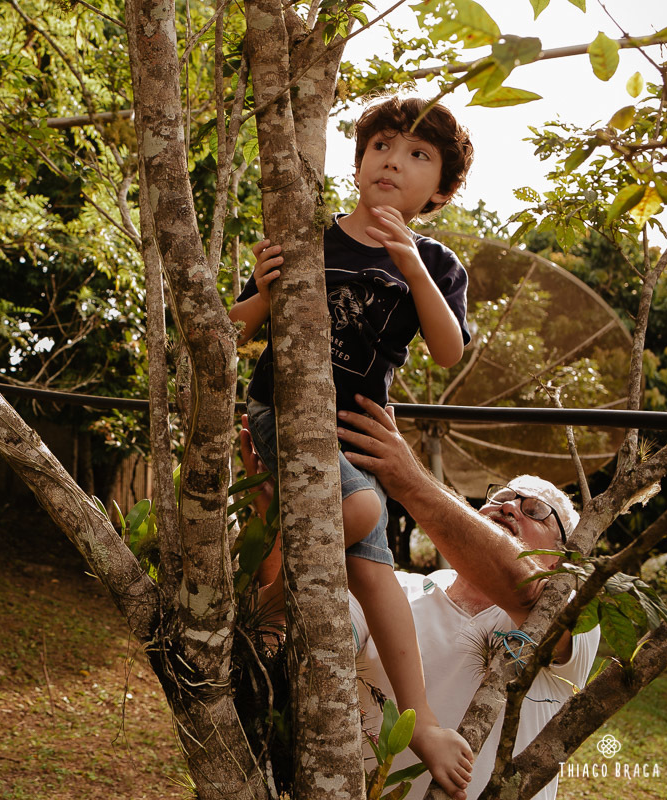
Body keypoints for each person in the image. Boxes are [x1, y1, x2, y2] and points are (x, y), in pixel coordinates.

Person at [230, 95, 475, 796]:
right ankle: (269, 603)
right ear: (360, 158)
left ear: (441, 191)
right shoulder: (310, 238)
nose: (394, 161)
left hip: (355, 434)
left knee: (376, 574)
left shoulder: (436, 261)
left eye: (418, 155)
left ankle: (422, 721)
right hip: (281, 409)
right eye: (382, 145)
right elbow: (236, 327)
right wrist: (262, 291)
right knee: (364, 513)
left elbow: (449, 349)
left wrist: (413, 266)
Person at [335, 394, 600, 800]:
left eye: (534, 511)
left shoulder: (573, 612)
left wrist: (411, 480)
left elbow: (526, 590)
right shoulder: (394, 588)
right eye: (501, 499)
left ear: (560, 560)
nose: (510, 508)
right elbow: (309, 632)